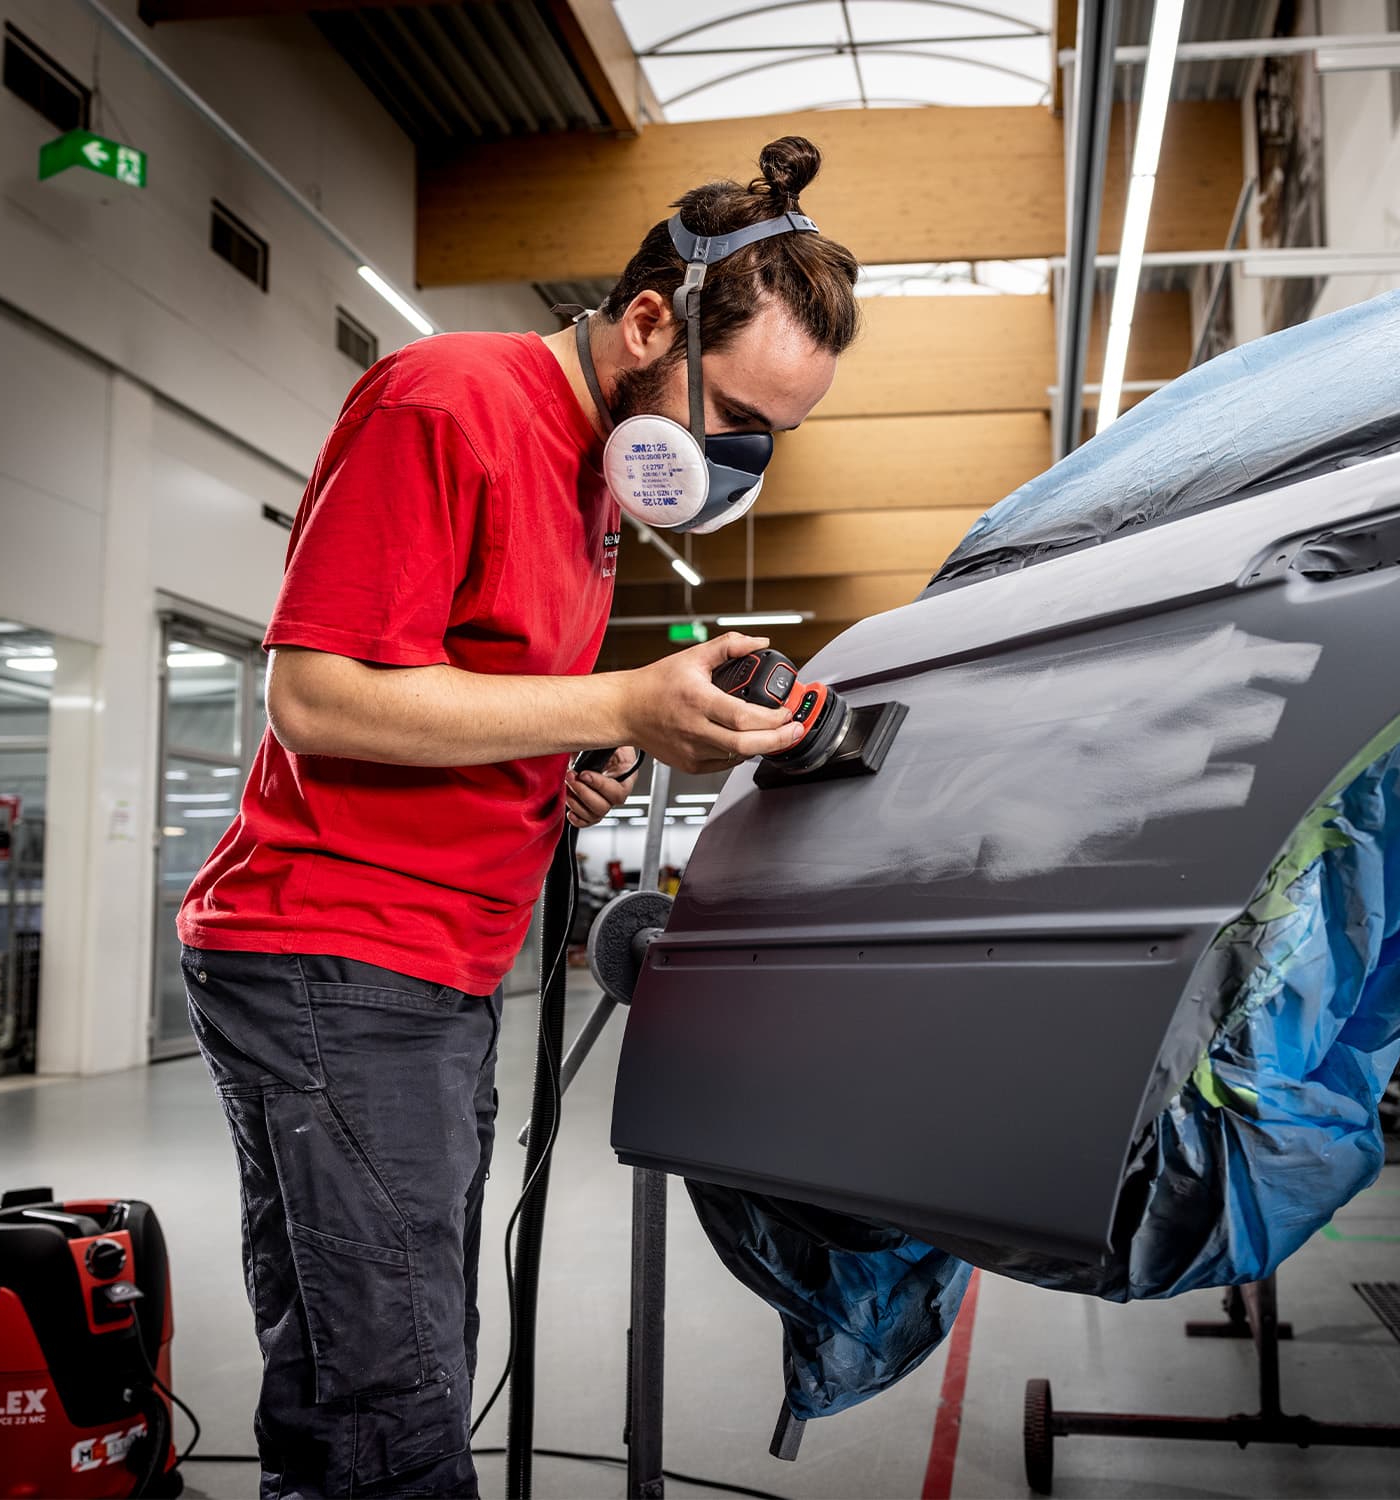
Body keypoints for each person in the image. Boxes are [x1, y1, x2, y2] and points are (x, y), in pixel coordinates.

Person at [176, 137, 860, 1498]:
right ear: (650, 321)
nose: (738, 456)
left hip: (426, 964)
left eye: (771, 437)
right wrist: (611, 695)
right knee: (399, 1394)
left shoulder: (591, 474)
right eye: (732, 415)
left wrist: (564, 767)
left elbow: (461, 693)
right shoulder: (447, 403)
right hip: (337, 950)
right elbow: (316, 697)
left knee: (367, 1370)